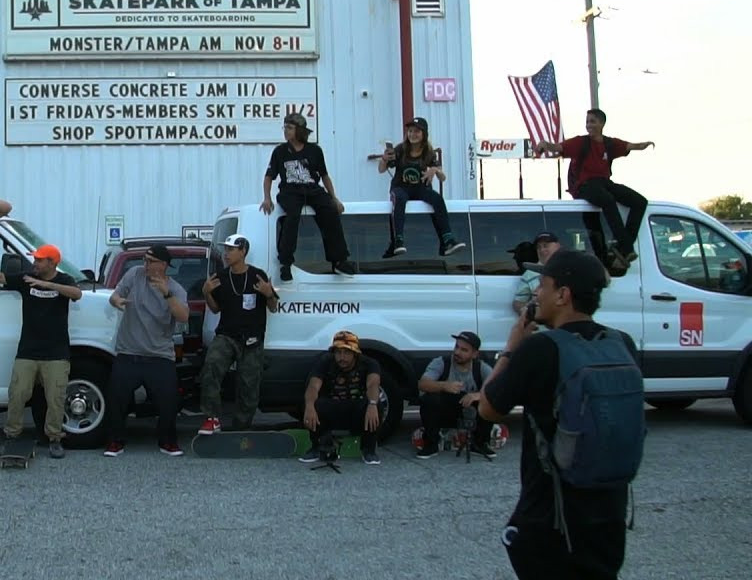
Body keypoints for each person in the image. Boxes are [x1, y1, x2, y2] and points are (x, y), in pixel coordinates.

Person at [480, 249, 642, 579]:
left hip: (551, 517)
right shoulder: (621, 343)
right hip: (610, 512)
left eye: (543, 285)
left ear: (563, 295)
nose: (536, 293)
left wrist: (512, 347)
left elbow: (488, 408)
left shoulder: (540, 348)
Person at [0, 244, 81, 460]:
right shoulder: (27, 278)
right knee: (17, 393)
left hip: (56, 353)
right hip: (28, 351)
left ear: (52, 263)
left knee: (55, 398)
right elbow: (2, 277)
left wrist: (46, 285)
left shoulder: (64, 280)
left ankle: (54, 439)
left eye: (39, 260)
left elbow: (77, 294)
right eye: (35, 259)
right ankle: (12, 435)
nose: (34, 263)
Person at [533, 108, 654, 268]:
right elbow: (558, 147)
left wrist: (643, 145)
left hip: (604, 182)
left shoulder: (609, 144)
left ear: (602, 123)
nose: (589, 125)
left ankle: (623, 248)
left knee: (640, 202)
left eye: (592, 121)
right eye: (587, 122)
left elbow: (628, 146)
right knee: (607, 200)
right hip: (585, 185)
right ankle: (626, 247)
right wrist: (544, 144)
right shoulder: (580, 142)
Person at [103, 244, 190, 457]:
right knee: (117, 397)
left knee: (169, 400)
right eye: (145, 260)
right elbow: (114, 296)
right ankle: (115, 441)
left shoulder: (176, 289)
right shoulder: (135, 275)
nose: (146, 265)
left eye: (151, 261)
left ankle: (167, 441)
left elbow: (183, 316)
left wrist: (166, 293)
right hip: (129, 351)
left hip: (159, 354)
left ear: (164, 265)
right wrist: (117, 301)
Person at [197, 233, 279, 434]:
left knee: (249, 383)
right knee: (211, 367)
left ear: (243, 252)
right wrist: (206, 293)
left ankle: (242, 427)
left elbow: (273, 307)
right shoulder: (221, 277)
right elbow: (215, 309)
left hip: (252, 338)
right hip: (227, 335)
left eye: (231, 249)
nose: (226, 254)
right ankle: (212, 418)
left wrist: (269, 294)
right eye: (226, 249)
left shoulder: (257, 275)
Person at [260, 112, 357, 281]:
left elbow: (324, 176)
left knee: (330, 213)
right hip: (290, 191)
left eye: (290, 128)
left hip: (312, 189)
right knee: (292, 217)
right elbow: (269, 177)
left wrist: (334, 198)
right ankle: (285, 264)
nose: (286, 131)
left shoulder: (314, 150)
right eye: (285, 127)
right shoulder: (280, 151)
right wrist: (267, 198)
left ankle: (339, 260)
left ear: (299, 130)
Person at [377, 117, 467, 258]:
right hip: (401, 187)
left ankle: (448, 240)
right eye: (410, 131)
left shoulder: (429, 152)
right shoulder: (400, 149)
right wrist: (384, 159)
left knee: (437, 199)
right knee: (399, 198)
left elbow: (443, 177)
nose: (412, 134)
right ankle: (398, 241)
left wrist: (434, 170)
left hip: (421, 189)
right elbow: (381, 170)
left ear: (424, 134)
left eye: (416, 131)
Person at [299, 330, 382, 465]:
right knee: (312, 403)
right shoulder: (325, 362)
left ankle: (369, 450)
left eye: (346, 353)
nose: (341, 357)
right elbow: (313, 386)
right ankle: (316, 447)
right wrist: (309, 406)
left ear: (355, 353)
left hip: (356, 410)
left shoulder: (369, 363)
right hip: (332, 408)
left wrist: (372, 404)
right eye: (338, 352)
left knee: (376, 405)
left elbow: (373, 384)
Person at [415, 331, 496, 459]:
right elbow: (422, 384)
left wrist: (476, 395)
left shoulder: (482, 368)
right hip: (445, 412)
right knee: (429, 399)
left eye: (464, 350)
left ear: (475, 354)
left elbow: (497, 389)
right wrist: (443, 386)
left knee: (489, 401)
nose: (457, 352)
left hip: (469, 413)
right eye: (457, 347)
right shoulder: (441, 362)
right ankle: (431, 444)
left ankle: (480, 443)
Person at [513, 231, 561, 315]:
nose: (542, 250)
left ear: (558, 246)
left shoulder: (571, 268)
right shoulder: (529, 274)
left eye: (546, 246)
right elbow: (518, 303)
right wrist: (531, 314)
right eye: (538, 247)